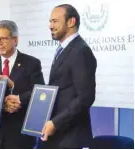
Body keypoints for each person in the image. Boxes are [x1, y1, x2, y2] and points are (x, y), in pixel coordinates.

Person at [0, 20, 45, 149]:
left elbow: (39, 94)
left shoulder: (31, 63)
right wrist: (3, 105)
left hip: (19, 133)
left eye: (3, 38)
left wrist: (14, 88)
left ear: (15, 40)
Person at [39, 4, 97, 149]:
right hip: (57, 135)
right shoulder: (65, 49)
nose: (50, 26)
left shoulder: (80, 51)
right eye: (50, 21)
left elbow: (85, 98)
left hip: (71, 137)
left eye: (55, 21)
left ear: (71, 22)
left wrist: (56, 122)